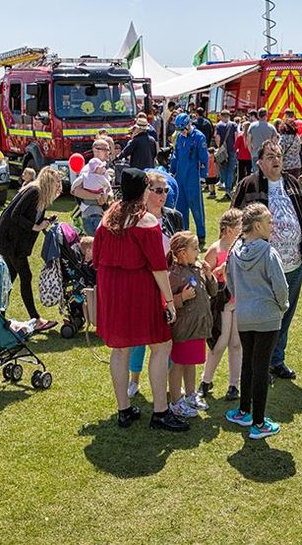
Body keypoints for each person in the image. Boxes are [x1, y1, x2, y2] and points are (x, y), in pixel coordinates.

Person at [92, 168, 188, 432]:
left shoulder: (107, 217)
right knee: (161, 345)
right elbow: (158, 266)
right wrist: (169, 302)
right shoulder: (146, 222)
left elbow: (96, 257)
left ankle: (124, 409)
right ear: (144, 190)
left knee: (119, 350)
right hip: (139, 291)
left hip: (112, 290)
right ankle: (160, 411)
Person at [230, 139, 302, 379]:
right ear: (260, 163)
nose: (276, 160)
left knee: (284, 313)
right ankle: (258, 363)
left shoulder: (293, 183)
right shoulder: (249, 184)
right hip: (262, 265)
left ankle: (276, 360)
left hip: (294, 262)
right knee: (264, 316)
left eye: (278, 156)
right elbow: (234, 218)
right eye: (270, 156)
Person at [225, 203, 289, 440]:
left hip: (244, 316)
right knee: (261, 368)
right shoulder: (268, 252)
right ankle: (259, 423)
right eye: (270, 222)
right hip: (267, 317)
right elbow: (280, 287)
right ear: (259, 225)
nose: (273, 226)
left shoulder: (235, 251)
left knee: (248, 364)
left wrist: (242, 300)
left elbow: (229, 282)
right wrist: (282, 307)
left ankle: (244, 411)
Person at [124, 169, 184, 398]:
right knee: (140, 337)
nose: (163, 195)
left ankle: (168, 382)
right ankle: (134, 379)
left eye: (166, 190)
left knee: (167, 336)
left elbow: (181, 246)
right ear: (146, 191)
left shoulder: (174, 216)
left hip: (168, 282)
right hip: (143, 283)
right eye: (158, 190)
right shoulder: (135, 218)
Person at [0, 166, 61, 330]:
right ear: (48, 182)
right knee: (25, 275)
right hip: (10, 240)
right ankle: (35, 319)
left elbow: (32, 215)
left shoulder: (41, 195)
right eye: (57, 182)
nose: (59, 185)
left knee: (9, 278)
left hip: (15, 241)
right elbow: (15, 214)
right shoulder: (34, 191)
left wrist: (45, 220)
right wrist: (35, 227)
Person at [167, 231, 218, 419]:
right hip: (183, 329)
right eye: (195, 248)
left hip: (199, 328)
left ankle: (190, 395)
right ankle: (175, 401)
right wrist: (182, 297)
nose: (199, 251)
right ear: (181, 253)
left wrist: (209, 274)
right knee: (179, 364)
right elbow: (166, 300)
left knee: (191, 363)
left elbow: (213, 292)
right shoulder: (173, 275)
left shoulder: (198, 268)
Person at [199, 208, 243, 402]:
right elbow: (205, 279)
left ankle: (234, 384)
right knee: (220, 342)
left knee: (236, 343)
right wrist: (219, 271)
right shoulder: (216, 249)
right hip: (222, 302)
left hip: (239, 301)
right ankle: (205, 380)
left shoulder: (242, 246)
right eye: (239, 225)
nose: (242, 228)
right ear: (228, 229)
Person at [170, 112, 209, 244]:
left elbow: (204, 158)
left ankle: (201, 233)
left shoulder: (199, 137)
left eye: (182, 129)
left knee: (196, 206)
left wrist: (203, 176)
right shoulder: (180, 138)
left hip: (193, 176)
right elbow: (176, 155)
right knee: (181, 206)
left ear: (188, 125)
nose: (181, 132)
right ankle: (183, 233)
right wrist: (172, 170)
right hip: (180, 176)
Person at [214, 110, 238, 199]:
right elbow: (236, 135)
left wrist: (219, 147)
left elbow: (217, 137)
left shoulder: (219, 125)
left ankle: (224, 184)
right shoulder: (234, 125)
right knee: (231, 169)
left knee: (223, 168)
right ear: (229, 116)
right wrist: (235, 147)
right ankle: (229, 189)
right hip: (232, 149)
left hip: (223, 150)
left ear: (221, 116)